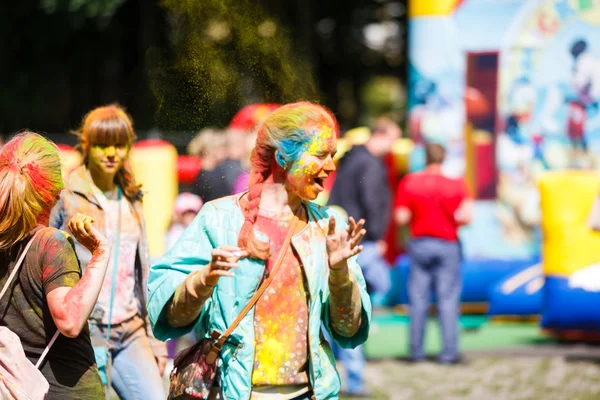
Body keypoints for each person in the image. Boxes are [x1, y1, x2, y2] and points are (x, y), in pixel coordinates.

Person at [148, 101, 372, 400]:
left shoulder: (328, 226)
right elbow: (170, 318)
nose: (330, 166)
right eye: (320, 154)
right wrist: (205, 278)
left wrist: (340, 273)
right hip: (234, 392)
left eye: (332, 156)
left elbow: (348, 331)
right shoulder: (218, 219)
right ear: (282, 157)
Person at [50, 104, 167, 399]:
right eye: (103, 145)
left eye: (119, 144)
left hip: (131, 328)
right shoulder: (65, 193)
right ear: (87, 145)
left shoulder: (132, 196)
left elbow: (143, 269)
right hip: (86, 329)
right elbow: (46, 253)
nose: (112, 152)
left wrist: (155, 339)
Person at [0, 132, 109, 399]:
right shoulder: (51, 243)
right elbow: (69, 321)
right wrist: (101, 253)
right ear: (56, 190)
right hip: (64, 391)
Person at [327, 116, 399, 396]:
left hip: (345, 235)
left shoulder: (352, 159)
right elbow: (372, 199)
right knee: (373, 291)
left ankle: (358, 328)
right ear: (380, 135)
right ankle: (365, 320)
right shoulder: (369, 162)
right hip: (361, 239)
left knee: (340, 305)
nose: (393, 147)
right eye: (392, 140)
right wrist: (379, 235)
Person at [394, 142, 472, 364]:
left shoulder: (410, 183)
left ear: (425, 158)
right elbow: (467, 217)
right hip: (448, 245)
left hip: (420, 244)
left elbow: (401, 218)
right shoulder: (457, 184)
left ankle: (416, 352)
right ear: (444, 158)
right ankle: (449, 353)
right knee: (447, 299)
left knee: (418, 299)